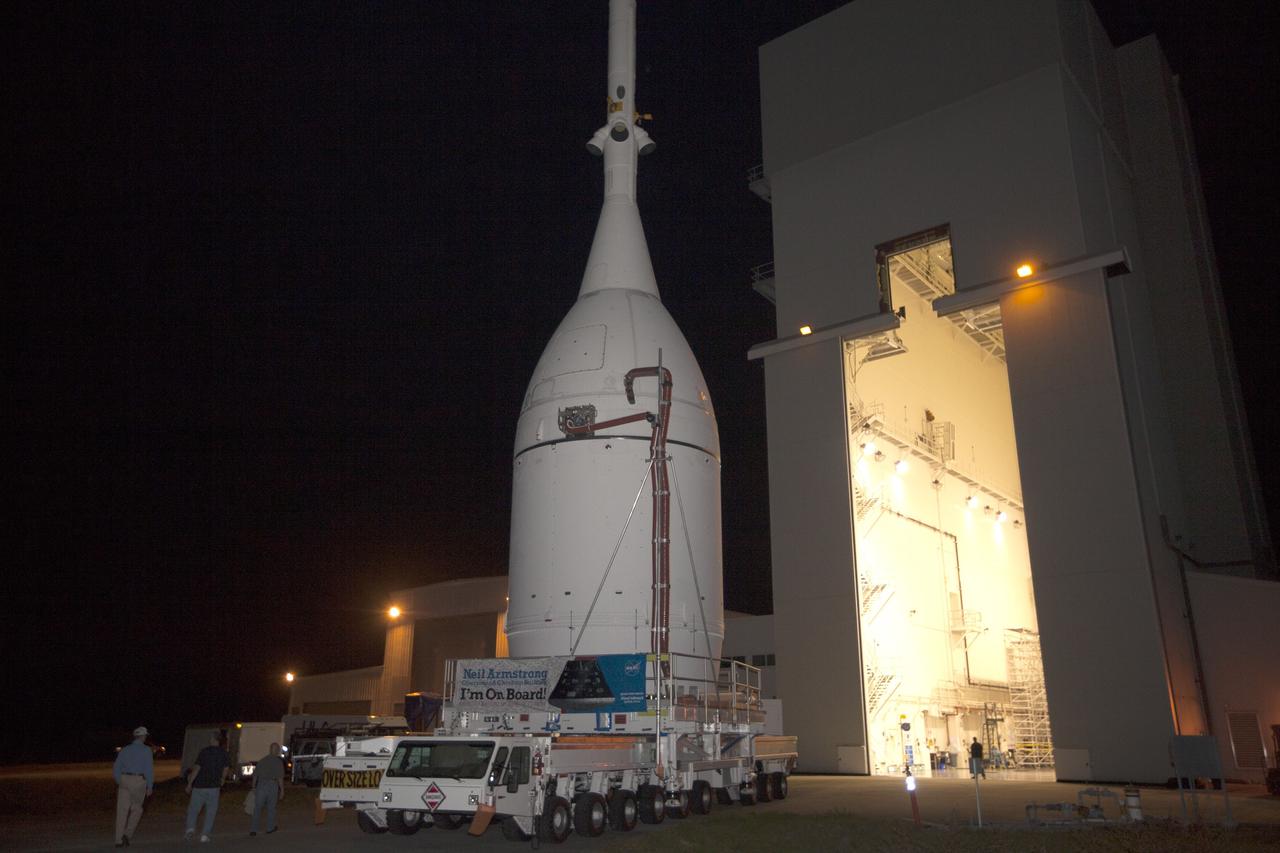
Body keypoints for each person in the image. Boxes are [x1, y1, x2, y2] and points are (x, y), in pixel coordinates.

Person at [112, 726, 154, 848]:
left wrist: (119, 780)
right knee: (137, 809)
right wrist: (150, 786)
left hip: (124, 779)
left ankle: (118, 840)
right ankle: (127, 834)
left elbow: (116, 767)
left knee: (122, 810)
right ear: (143, 736)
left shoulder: (125, 750)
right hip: (138, 780)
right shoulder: (146, 750)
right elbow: (149, 769)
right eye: (145, 736)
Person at [185, 734, 230, 842]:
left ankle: (190, 829)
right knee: (210, 811)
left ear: (213, 739)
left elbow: (197, 768)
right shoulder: (224, 753)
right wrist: (222, 778)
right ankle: (205, 835)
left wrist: (190, 783)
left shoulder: (204, 751)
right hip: (214, 787)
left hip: (200, 786)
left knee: (194, 809)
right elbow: (226, 768)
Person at [250, 742, 285, 836]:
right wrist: (282, 790)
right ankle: (270, 827)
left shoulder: (262, 760)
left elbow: (255, 775)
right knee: (271, 807)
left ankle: (253, 829)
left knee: (257, 807)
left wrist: (253, 787)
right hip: (272, 784)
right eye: (277, 749)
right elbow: (280, 777)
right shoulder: (278, 762)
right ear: (277, 750)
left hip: (261, 785)